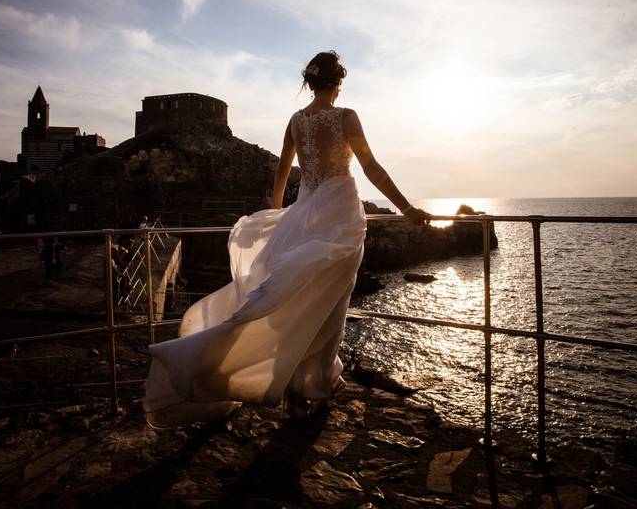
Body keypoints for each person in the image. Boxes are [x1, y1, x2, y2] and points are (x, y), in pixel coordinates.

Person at [142, 50, 430, 427]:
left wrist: (279, 213)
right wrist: (407, 209)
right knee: (329, 303)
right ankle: (312, 384)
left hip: (303, 212)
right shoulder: (346, 117)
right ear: (338, 82)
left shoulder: (297, 120)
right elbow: (371, 167)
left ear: (309, 83)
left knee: (296, 300)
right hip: (339, 213)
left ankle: (300, 385)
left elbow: (282, 168)